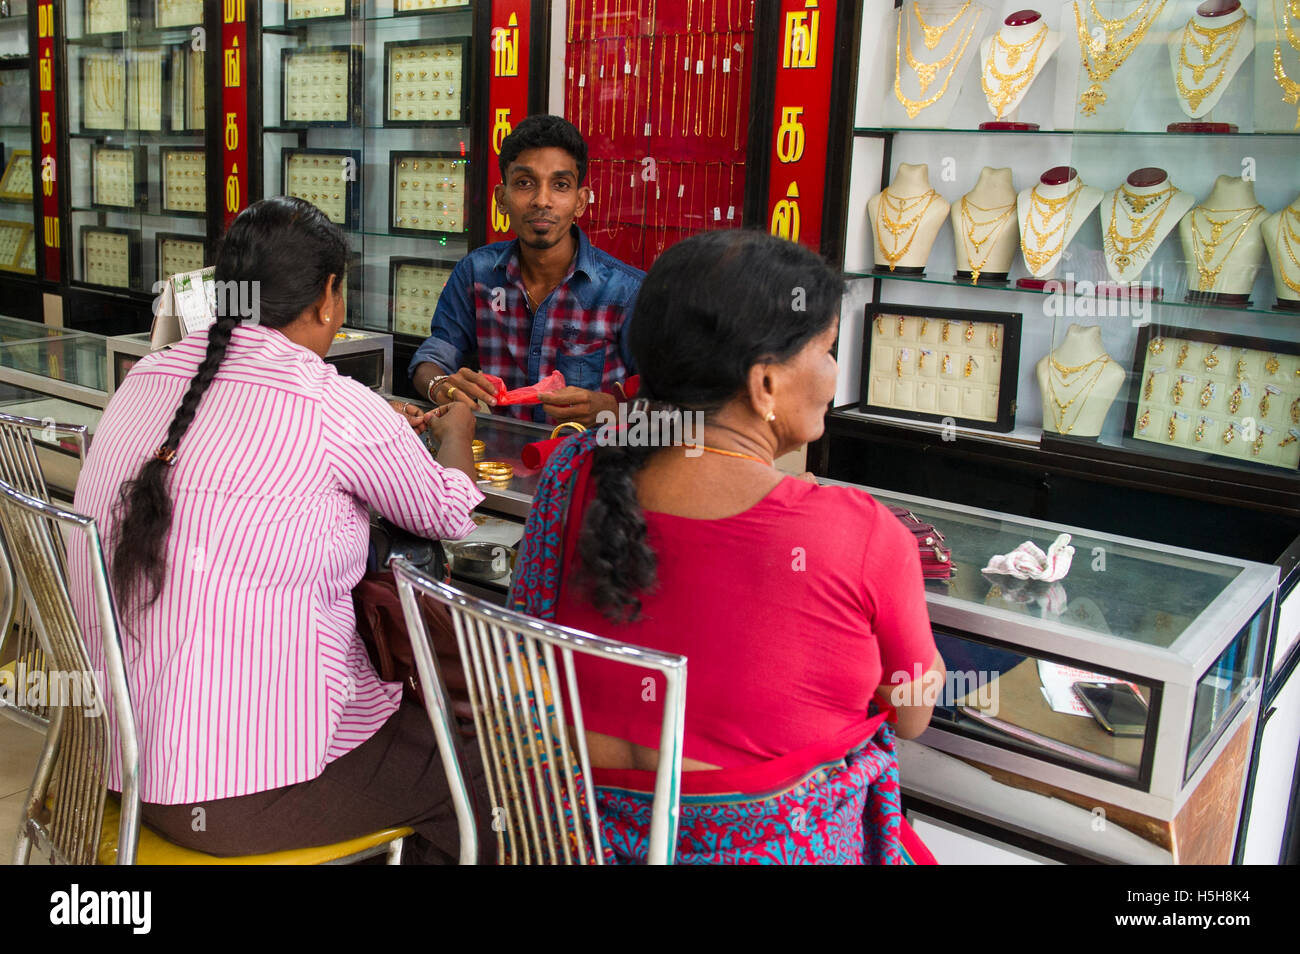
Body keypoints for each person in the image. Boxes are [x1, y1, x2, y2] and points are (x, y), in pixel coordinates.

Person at [67, 197, 485, 863]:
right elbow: (449, 513)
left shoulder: (146, 377)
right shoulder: (332, 403)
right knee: (487, 776)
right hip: (237, 792)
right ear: (327, 298)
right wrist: (457, 433)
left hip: (113, 761)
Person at [509, 230, 946, 864]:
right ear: (764, 384)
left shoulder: (575, 469)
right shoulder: (859, 532)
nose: (833, 374)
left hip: (571, 837)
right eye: (826, 351)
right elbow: (910, 714)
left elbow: (533, 635)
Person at [408, 114, 644, 427]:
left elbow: (677, 412)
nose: (541, 200)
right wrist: (440, 385)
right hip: (495, 466)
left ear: (580, 202)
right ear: (501, 199)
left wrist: (611, 410)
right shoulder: (477, 274)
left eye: (560, 185)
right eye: (524, 183)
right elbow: (429, 361)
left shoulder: (625, 292)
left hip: (589, 467)